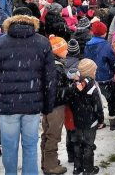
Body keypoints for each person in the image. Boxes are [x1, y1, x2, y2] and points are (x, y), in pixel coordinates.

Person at [0, 12, 56, 175]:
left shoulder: (0, 42)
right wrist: (48, 104)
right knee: (30, 146)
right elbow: (50, 77)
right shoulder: (42, 42)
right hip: (32, 103)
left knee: (9, 146)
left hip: (6, 104)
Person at [67, 59, 104, 175]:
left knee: (77, 144)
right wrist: (100, 119)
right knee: (88, 145)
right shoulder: (92, 86)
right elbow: (98, 104)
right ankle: (88, 169)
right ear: (91, 72)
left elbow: (71, 102)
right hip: (90, 121)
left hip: (77, 120)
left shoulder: (74, 85)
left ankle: (77, 168)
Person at [41, 36, 70, 175]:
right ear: (57, 51)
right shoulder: (56, 68)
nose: (67, 52)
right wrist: (70, 89)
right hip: (55, 106)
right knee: (53, 134)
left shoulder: (48, 63)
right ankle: (51, 166)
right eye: (65, 49)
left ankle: (46, 161)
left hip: (47, 105)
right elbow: (57, 90)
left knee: (46, 132)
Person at [83, 21, 115, 130]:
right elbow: (112, 61)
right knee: (111, 99)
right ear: (104, 33)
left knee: (95, 100)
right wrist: (114, 70)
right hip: (105, 76)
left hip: (92, 76)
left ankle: (98, 121)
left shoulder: (87, 45)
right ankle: (113, 122)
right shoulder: (106, 46)